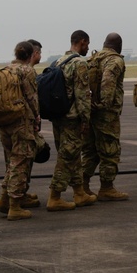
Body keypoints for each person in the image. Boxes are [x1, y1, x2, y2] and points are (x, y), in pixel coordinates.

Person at [46, 30, 95, 211]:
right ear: (82, 42)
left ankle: (79, 192)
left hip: (58, 116)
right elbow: (82, 95)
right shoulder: (79, 63)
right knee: (67, 157)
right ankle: (55, 196)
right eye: (87, 44)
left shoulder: (59, 61)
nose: (88, 48)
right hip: (72, 118)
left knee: (72, 155)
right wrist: (86, 119)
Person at [0, 41, 40, 221]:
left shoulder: (7, 68)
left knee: (12, 161)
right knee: (20, 161)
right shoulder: (27, 71)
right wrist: (36, 117)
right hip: (21, 122)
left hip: (4, 121)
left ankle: (4, 200)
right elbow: (31, 97)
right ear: (30, 55)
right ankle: (14, 206)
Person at [82, 33, 129, 201]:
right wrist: (104, 104)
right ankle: (107, 188)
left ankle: (84, 186)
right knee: (110, 150)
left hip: (89, 111)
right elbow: (108, 82)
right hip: (105, 114)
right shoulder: (115, 60)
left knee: (90, 151)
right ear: (119, 46)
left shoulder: (92, 59)